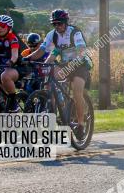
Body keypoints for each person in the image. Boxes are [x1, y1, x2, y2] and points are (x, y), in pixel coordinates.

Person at [31, 10, 92, 139]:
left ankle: (80, 124)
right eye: (55, 24)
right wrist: (26, 59)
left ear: (65, 23)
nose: (57, 27)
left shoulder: (75, 32)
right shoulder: (52, 35)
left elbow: (81, 50)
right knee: (48, 79)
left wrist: (76, 61)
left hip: (80, 65)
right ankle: (54, 105)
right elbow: (42, 51)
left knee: (77, 92)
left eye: (60, 24)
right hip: (64, 64)